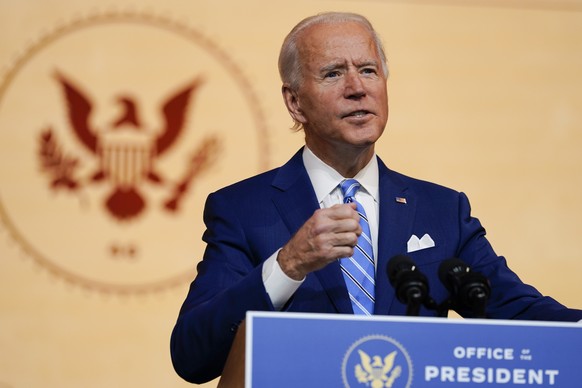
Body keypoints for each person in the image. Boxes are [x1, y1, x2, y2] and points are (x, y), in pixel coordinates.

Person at [170, 11, 582, 384]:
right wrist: (289, 264)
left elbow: (521, 314)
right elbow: (192, 355)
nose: (356, 88)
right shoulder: (244, 209)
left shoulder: (442, 211)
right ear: (295, 103)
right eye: (333, 73)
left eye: (368, 70)